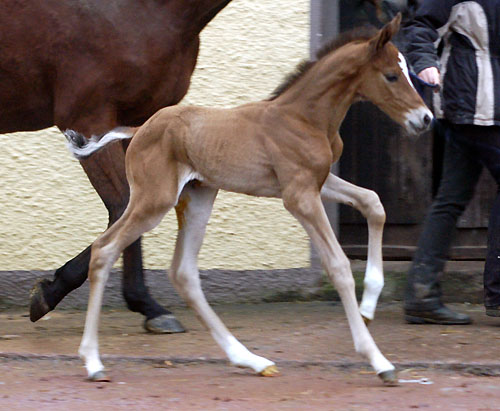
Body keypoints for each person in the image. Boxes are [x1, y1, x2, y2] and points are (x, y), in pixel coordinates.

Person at [403, 0, 500, 324]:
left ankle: (421, 294)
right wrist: (424, 60)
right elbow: (420, 26)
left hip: (488, 110)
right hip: (467, 106)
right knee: (450, 198)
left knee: (451, 197)